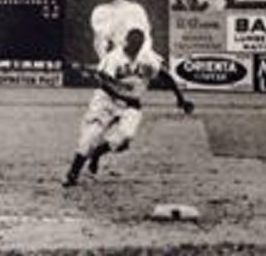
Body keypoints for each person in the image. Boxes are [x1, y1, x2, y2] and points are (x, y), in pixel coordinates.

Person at [62, 27, 194, 187]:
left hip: (131, 104)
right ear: (126, 41)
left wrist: (181, 99)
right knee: (90, 136)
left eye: (139, 44)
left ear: (142, 43)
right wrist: (122, 90)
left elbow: (165, 75)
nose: (135, 47)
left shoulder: (147, 58)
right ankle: (73, 173)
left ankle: (97, 153)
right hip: (106, 101)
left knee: (124, 138)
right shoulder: (114, 58)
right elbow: (103, 80)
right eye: (133, 43)